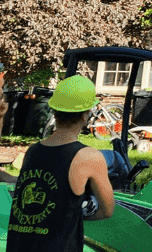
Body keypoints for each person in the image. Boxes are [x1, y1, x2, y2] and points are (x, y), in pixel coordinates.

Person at [7, 75, 114, 252]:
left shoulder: (33, 151)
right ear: (85, 115)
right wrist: (69, 215)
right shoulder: (88, 156)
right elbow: (107, 210)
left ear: (55, 111)